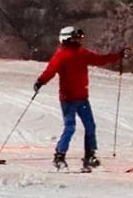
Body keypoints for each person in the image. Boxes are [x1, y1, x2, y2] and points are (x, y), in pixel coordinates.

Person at [33, 26, 124, 171]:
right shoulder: (61, 55)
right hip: (68, 99)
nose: (78, 41)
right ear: (68, 39)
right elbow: (50, 70)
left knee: (90, 126)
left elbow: (99, 60)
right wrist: (40, 81)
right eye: (75, 38)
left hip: (82, 97)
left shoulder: (81, 53)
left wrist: (118, 56)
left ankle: (90, 156)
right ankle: (59, 156)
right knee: (70, 127)